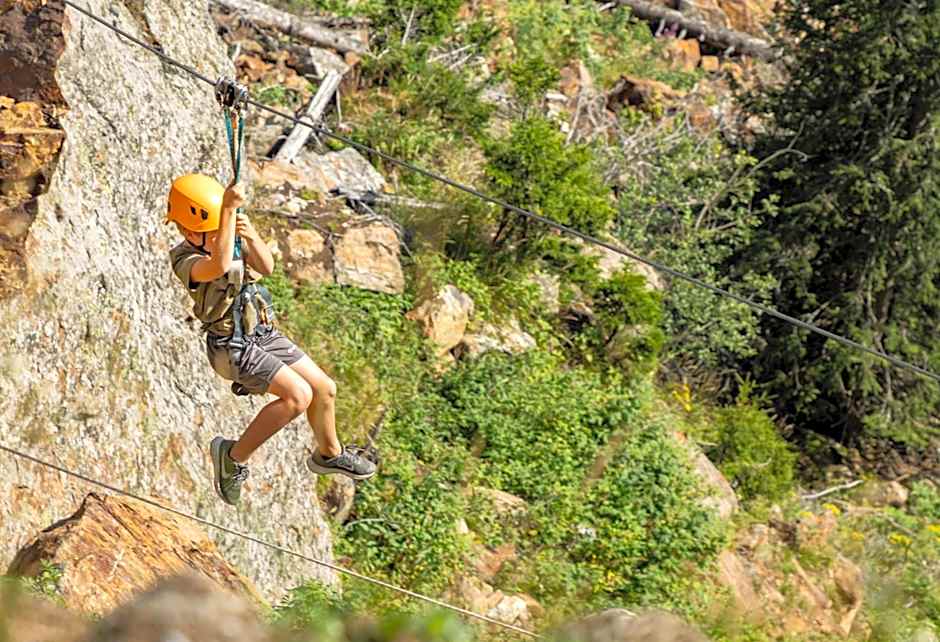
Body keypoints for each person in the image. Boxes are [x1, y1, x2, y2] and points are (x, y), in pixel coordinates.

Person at [165, 173, 376, 507]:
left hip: (261, 332)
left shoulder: (230, 237)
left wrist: (249, 234)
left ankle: (329, 453)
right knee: (298, 396)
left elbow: (267, 266)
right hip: (231, 346)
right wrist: (228, 215)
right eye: (212, 229)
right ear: (191, 231)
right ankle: (232, 456)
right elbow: (217, 266)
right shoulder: (185, 259)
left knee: (324, 388)